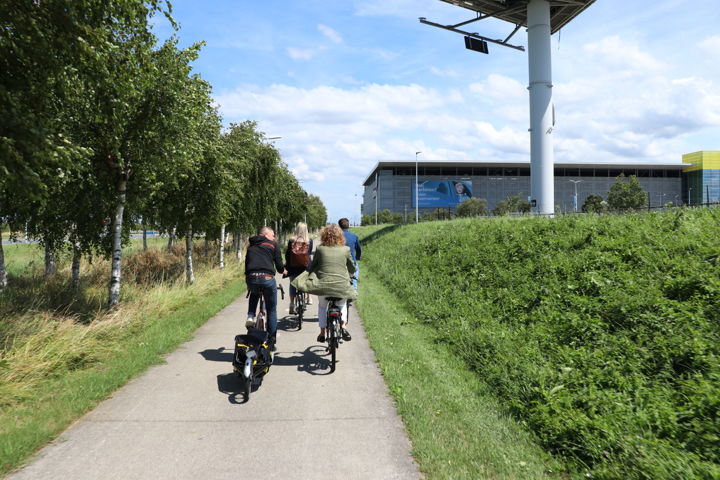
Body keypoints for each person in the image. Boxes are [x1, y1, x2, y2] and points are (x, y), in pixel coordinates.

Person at [293, 224, 356, 343]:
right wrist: (351, 274)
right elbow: (352, 267)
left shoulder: (320, 249)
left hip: (323, 286)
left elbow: (314, 265)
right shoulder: (345, 249)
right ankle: (343, 327)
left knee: (322, 306)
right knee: (342, 304)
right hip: (341, 286)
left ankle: (322, 333)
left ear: (324, 235)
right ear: (340, 236)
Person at [245, 226, 287, 350]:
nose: (274, 237)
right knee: (272, 310)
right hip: (267, 278)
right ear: (265, 235)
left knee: (254, 292)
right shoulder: (273, 245)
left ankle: (251, 316)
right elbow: (279, 266)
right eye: (272, 235)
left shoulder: (251, 246)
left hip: (251, 277)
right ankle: (271, 341)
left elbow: (247, 264)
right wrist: (283, 271)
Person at [285, 222, 313, 314]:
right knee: (307, 281)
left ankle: (292, 303)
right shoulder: (309, 241)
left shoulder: (291, 241)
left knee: (293, 284)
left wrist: (287, 265)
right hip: (305, 267)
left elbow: (288, 254)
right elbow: (309, 254)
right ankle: (309, 297)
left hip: (293, 267)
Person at [338, 217, 361, 291]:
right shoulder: (354, 236)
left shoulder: (336, 237)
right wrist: (357, 257)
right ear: (348, 226)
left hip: (340, 263)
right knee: (355, 270)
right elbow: (358, 250)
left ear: (339, 227)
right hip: (351, 262)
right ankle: (354, 289)